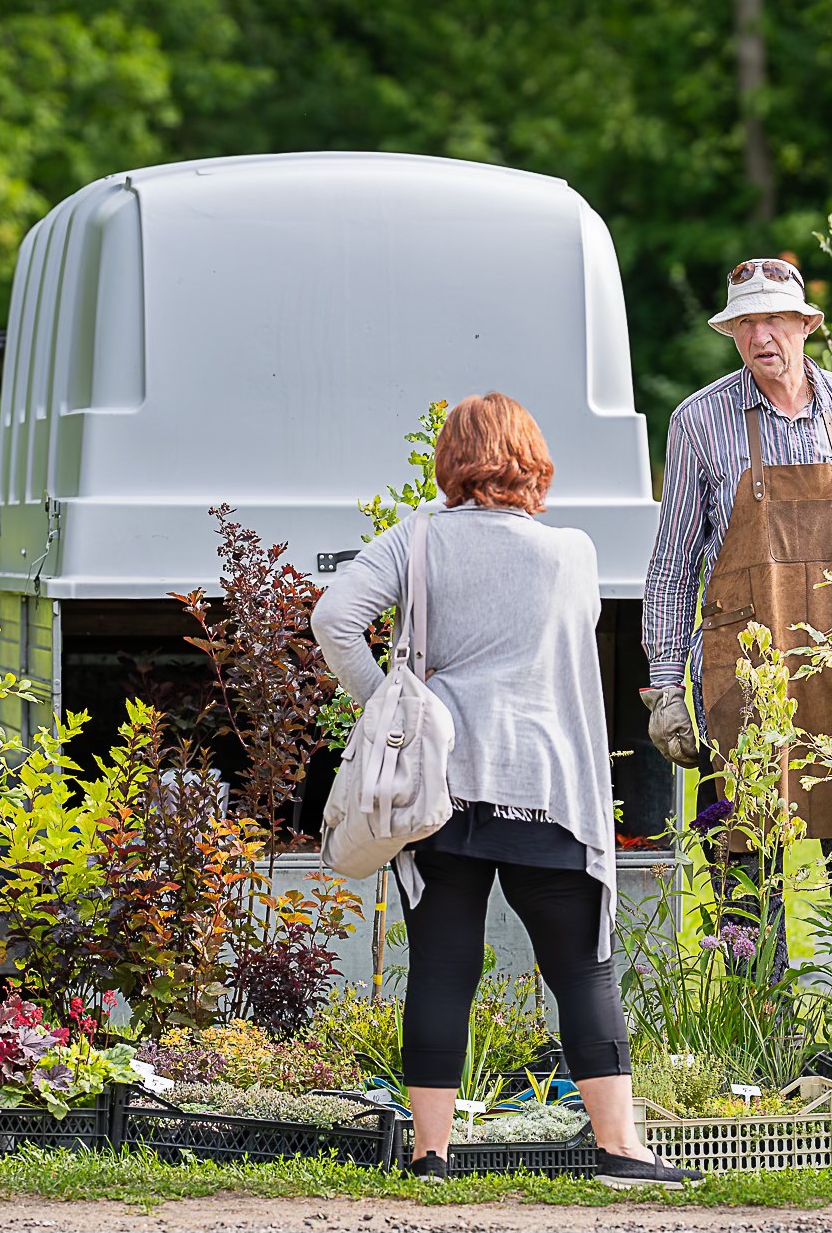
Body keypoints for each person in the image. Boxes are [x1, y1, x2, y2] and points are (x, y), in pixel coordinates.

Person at [312, 392, 702, 1189]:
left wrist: (387, 702)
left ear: (450, 461)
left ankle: (431, 1156)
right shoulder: (571, 552)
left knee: (442, 969)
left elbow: (333, 617)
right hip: (547, 787)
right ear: (532, 462)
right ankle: (622, 1150)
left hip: (440, 791)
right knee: (583, 969)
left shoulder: (413, 539)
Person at [642, 256, 832, 855]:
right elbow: (671, 569)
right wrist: (666, 687)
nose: (758, 336)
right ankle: (755, 954)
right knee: (745, 865)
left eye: (774, 319)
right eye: (744, 323)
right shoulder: (699, 420)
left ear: (805, 326)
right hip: (746, 672)